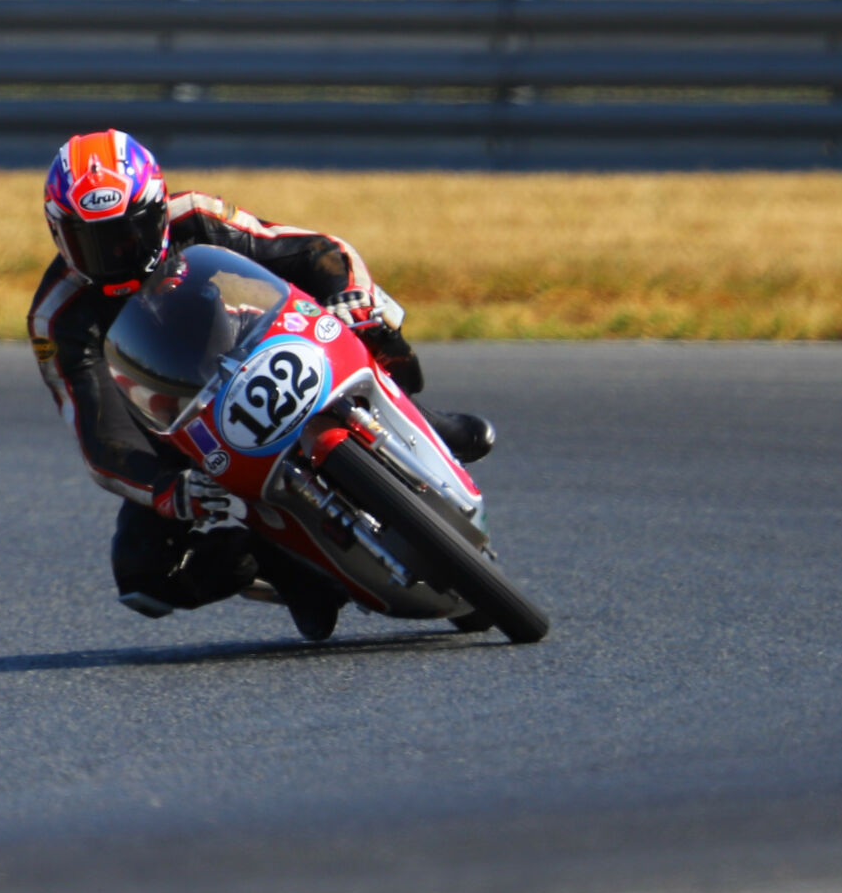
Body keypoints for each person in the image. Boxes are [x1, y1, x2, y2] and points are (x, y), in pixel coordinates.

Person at [27, 128, 496, 641]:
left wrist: (350, 296)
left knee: (376, 324)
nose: (114, 255)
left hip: (262, 342)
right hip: (178, 431)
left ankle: (419, 419)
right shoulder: (58, 317)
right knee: (143, 577)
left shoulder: (197, 216)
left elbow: (315, 252)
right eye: (89, 242)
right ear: (58, 234)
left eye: (128, 233)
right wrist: (166, 488)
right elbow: (100, 431)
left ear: (158, 209)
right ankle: (282, 562)